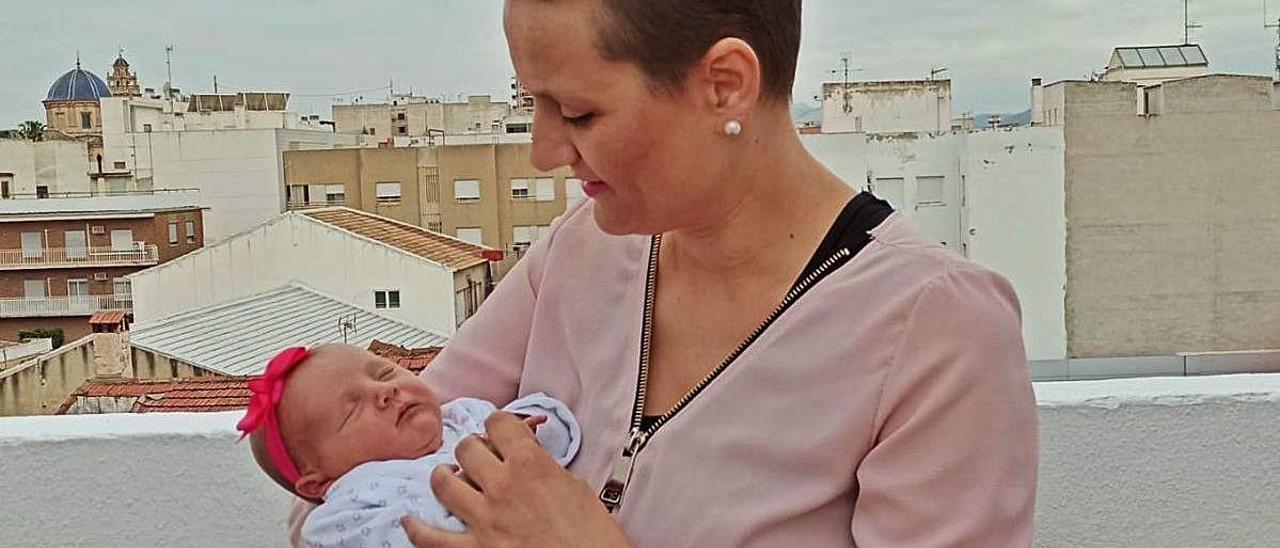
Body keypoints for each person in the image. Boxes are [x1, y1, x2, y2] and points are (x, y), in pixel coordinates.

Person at [290, 0, 1038, 546]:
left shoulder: (938, 327)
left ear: (725, 83)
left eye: (578, 113)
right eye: (532, 105)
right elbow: (337, 491)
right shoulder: (580, 251)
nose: (544, 150)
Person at [238, 344, 580, 548]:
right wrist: (472, 489)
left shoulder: (462, 417)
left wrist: (523, 432)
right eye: (352, 408)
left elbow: (559, 428)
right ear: (320, 482)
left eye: (385, 373)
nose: (384, 391)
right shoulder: (346, 509)